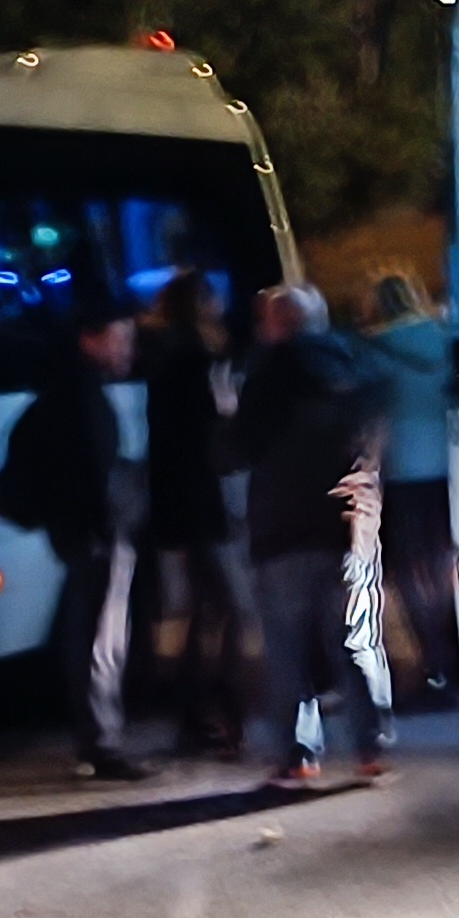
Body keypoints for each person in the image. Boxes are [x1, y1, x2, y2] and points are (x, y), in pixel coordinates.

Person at [227, 285, 389, 788]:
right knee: (348, 641)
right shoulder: (353, 368)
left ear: (277, 325)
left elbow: (231, 451)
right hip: (342, 524)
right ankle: (370, 746)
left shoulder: (266, 376)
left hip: (281, 529)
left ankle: (298, 755)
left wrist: (224, 413)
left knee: (286, 650)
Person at [0, 295, 148, 781]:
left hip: (78, 533)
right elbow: (91, 474)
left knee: (89, 638)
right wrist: (106, 526)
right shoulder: (82, 398)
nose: (127, 349)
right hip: (95, 536)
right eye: (119, 338)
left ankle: (97, 739)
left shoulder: (62, 392)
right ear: (91, 339)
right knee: (101, 643)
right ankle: (103, 743)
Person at [140, 271, 253, 755]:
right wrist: (226, 411)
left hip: (176, 500)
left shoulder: (163, 356)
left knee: (204, 609)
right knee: (228, 606)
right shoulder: (196, 361)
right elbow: (209, 436)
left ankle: (195, 709)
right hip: (198, 499)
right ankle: (217, 706)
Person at [358, 271, 459, 711]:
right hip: (448, 468)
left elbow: (367, 414)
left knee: (408, 573)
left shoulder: (374, 351)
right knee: (444, 566)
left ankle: (433, 663)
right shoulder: (447, 339)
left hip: (400, 473)